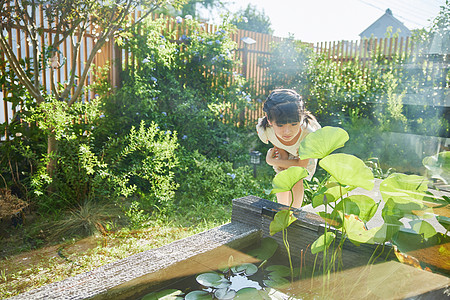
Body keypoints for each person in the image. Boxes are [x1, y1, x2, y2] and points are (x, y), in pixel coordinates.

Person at [256, 89, 321, 209]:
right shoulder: (266, 130)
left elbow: (300, 166)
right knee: (282, 174)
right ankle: (282, 209)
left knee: (296, 179)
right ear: (269, 120)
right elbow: (279, 145)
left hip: (304, 157)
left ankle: (294, 213)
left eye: (294, 124)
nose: (287, 132)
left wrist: (272, 161)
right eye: (280, 125)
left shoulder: (308, 135)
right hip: (287, 151)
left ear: (301, 119)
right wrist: (282, 160)